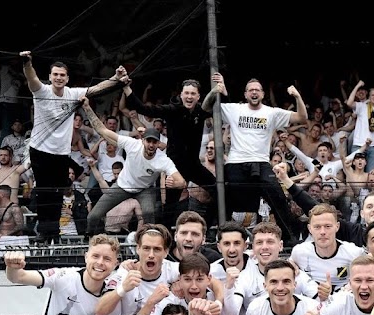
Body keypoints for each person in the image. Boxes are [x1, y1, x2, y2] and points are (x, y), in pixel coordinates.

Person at [19, 50, 126, 241]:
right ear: (50, 77)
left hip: (61, 153)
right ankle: (45, 233)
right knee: (43, 192)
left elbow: (98, 88)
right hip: (40, 150)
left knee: (59, 193)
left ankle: (55, 232)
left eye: (62, 75)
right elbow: (32, 78)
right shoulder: (41, 91)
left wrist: (116, 78)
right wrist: (27, 63)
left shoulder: (72, 93)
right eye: (55, 74)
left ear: (67, 78)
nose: (59, 78)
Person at [213, 74, 307, 245]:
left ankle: (288, 239)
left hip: (261, 162)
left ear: (263, 94)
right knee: (224, 198)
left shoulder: (271, 112)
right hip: (236, 162)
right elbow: (210, 107)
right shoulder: (234, 109)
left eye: (257, 90)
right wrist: (222, 89)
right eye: (251, 90)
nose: (254, 93)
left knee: (278, 198)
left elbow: (301, 118)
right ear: (245, 94)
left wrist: (298, 96)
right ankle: (220, 238)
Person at [121, 74, 222, 226]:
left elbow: (216, 101)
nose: (189, 96)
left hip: (194, 166)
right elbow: (143, 108)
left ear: (198, 96)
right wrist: (127, 88)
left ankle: (210, 227)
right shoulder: (172, 109)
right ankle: (166, 238)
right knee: (169, 208)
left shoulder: (200, 112)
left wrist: (220, 86)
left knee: (219, 191)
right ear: (181, 95)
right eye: (186, 93)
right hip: (174, 167)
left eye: (193, 94)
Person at [82, 99, 184, 235]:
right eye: (149, 141)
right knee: (93, 216)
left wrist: (173, 184)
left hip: (144, 189)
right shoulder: (132, 144)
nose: (151, 145)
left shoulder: (163, 159)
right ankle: (88, 238)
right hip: (122, 186)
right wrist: (87, 107)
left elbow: (181, 181)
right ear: (143, 140)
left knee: (149, 213)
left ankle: (149, 240)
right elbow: (102, 130)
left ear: (158, 143)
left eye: (154, 142)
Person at [98, 225, 176, 315]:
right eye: (146, 248)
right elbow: (100, 311)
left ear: (166, 252)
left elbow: (195, 270)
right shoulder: (125, 273)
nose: (151, 255)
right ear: (138, 249)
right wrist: (123, 289)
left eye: (157, 249)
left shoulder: (173, 270)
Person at [290, 203, 365, 293]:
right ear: (310, 229)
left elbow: (372, 265)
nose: (322, 232)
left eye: (327, 226)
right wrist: (289, 264)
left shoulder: (354, 253)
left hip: (343, 301)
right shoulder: (299, 252)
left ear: (337, 227)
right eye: (317, 227)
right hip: (311, 303)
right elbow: (288, 265)